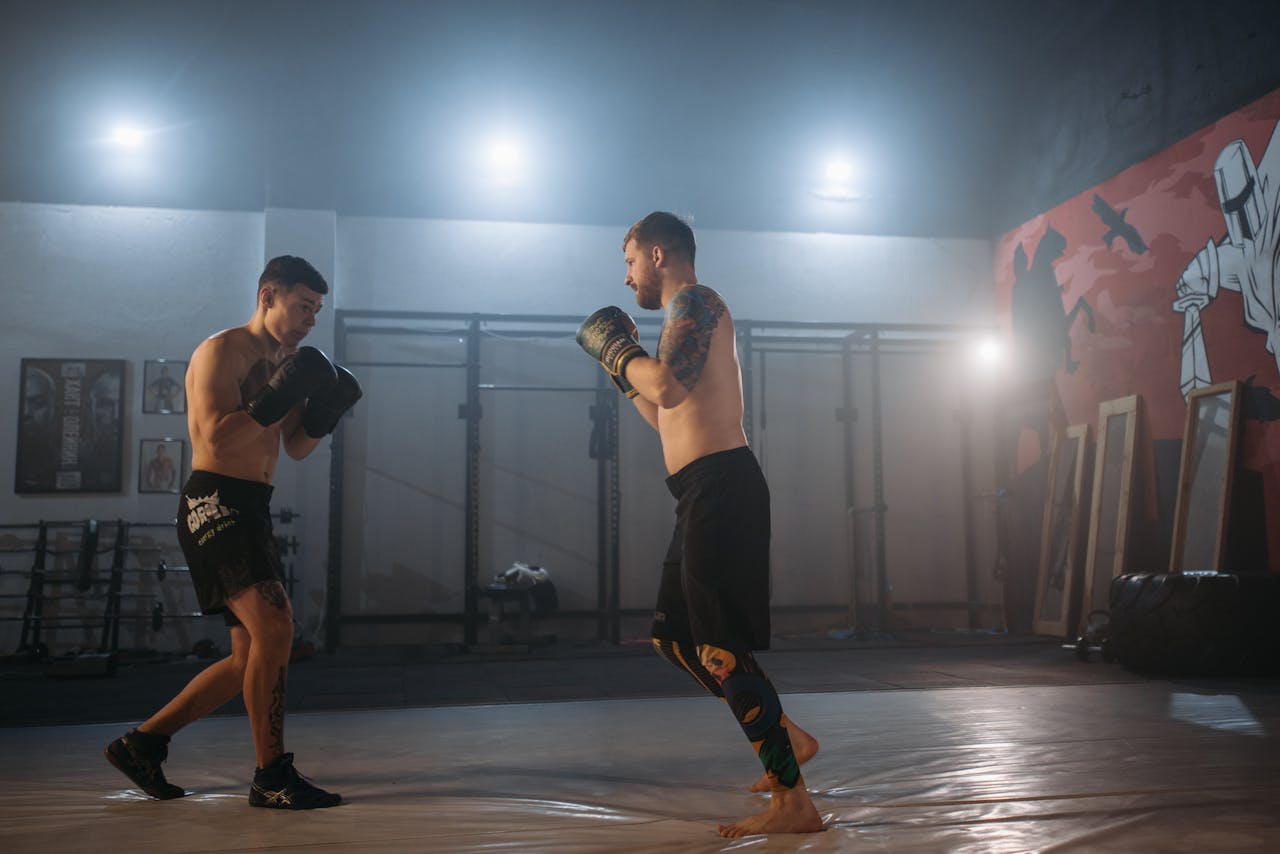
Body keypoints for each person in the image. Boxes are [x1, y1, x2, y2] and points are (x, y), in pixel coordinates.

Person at [576, 212, 823, 837]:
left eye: (629, 259)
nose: (625, 273)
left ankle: (794, 804)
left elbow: (665, 384)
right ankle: (783, 736)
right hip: (698, 490)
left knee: (718, 648)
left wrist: (616, 349)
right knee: (675, 639)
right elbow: (665, 414)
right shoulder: (678, 319)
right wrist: (620, 371)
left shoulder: (697, 300)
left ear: (658, 254)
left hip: (723, 487)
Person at [105, 255, 362, 809]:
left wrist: (324, 412)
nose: (309, 320)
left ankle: (143, 744)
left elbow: (294, 448)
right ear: (268, 295)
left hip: (252, 506)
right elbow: (218, 442)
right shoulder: (223, 350)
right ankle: (272, 775)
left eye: (317, 311)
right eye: (302, 306)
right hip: (213, 501)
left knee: (249, 658)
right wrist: (277, 393)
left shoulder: (288, 361)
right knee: (277, 627)